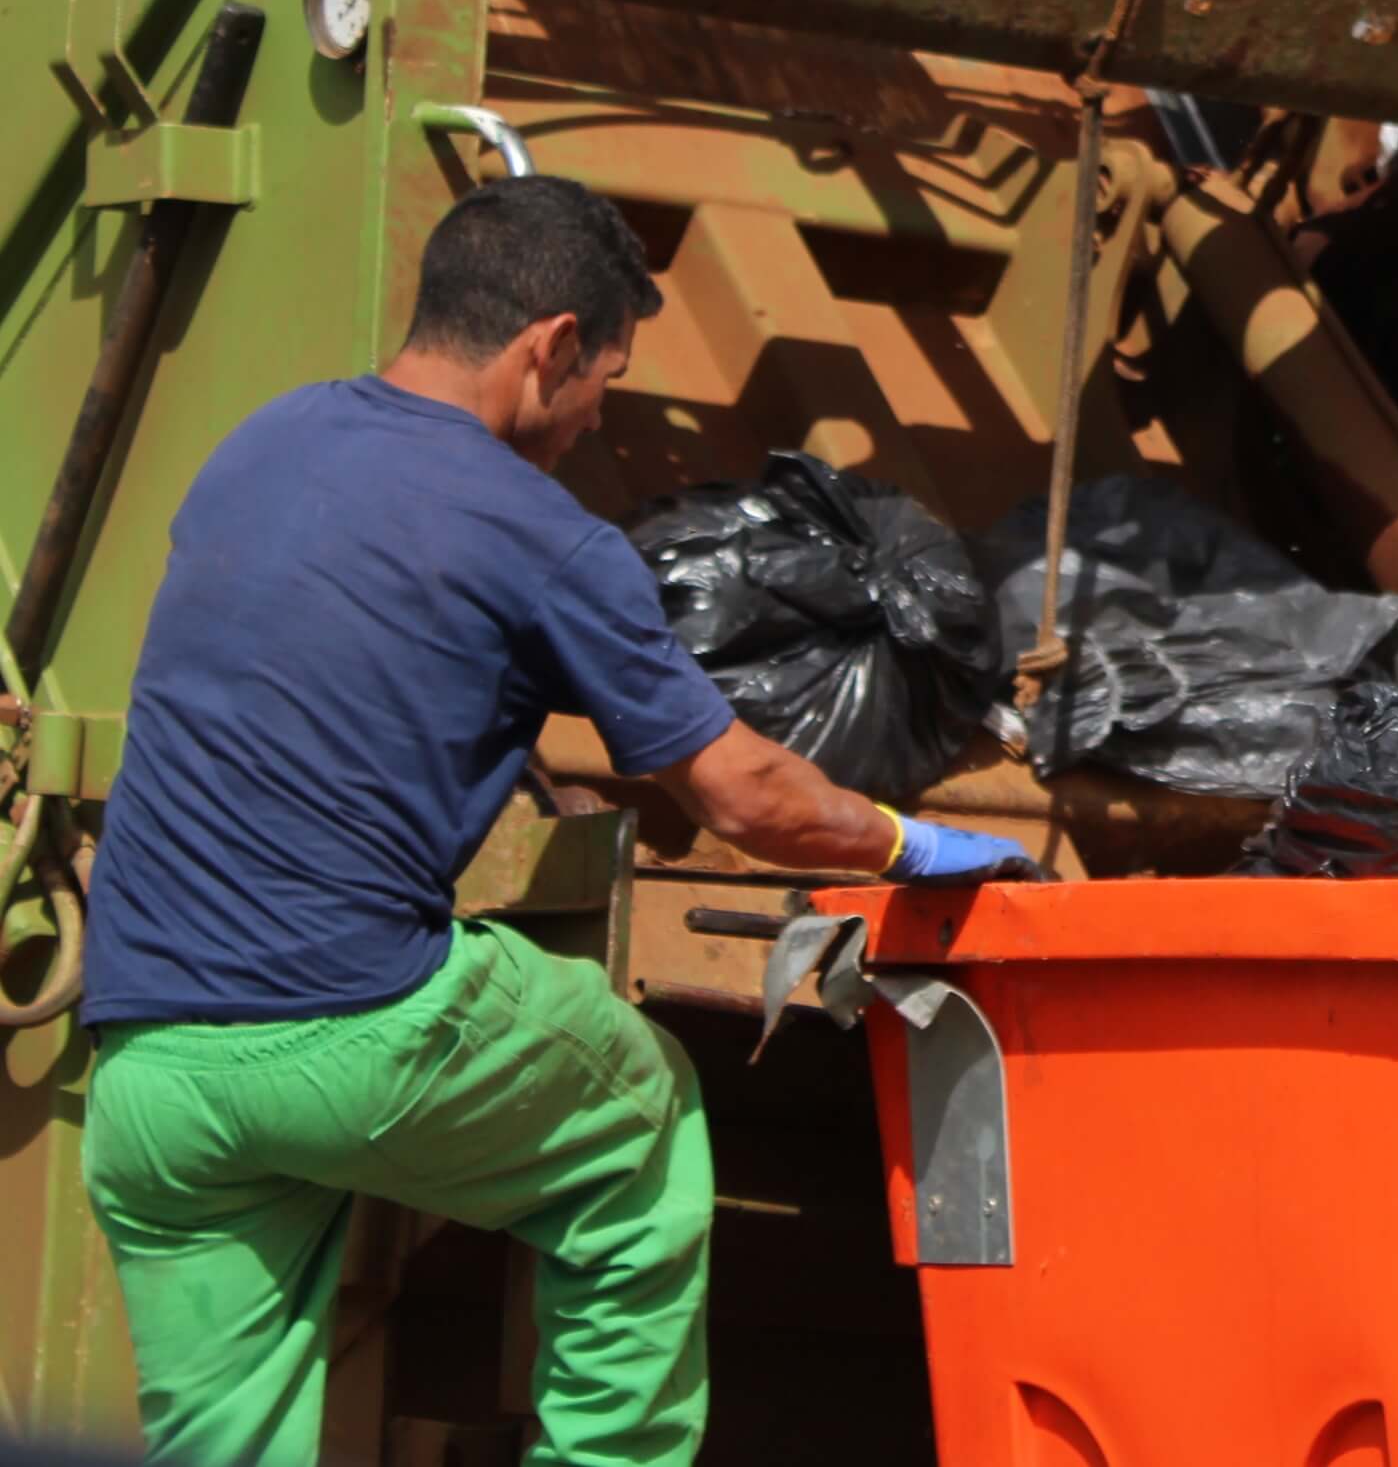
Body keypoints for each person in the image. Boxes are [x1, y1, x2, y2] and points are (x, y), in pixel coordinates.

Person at [78, 176, 1035, 1467]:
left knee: (222, 1446)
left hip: (146, 1071)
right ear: (552, 348)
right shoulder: (540, 531)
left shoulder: (264, 441)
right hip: (351, 1029)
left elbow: (326, 666)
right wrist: (908, 842)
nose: (598, 421)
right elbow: (744, 793)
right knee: (640, 1126)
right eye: (606, 382)